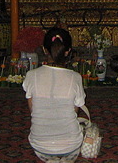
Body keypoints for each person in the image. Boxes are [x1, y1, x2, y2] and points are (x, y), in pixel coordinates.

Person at [23, 27, 86, 163]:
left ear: (45, 50)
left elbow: (33, 110)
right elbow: (75, 111)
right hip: (71, 147)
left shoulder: (31, 76)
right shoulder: (75, 77)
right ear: (68, 51)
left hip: (40, 146)